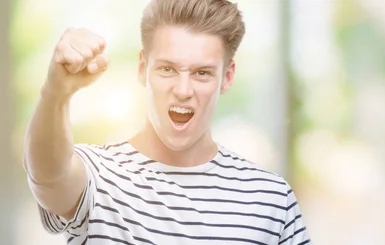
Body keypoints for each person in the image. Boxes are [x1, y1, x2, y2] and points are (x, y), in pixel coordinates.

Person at [22, 0, 311, 244]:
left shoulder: (270, 199)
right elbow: (47, 176)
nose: (183, 91)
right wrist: (55, 92)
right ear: (142, 68)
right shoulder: (97, 177)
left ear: (227, 76)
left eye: (202, 73)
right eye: (167, 69)